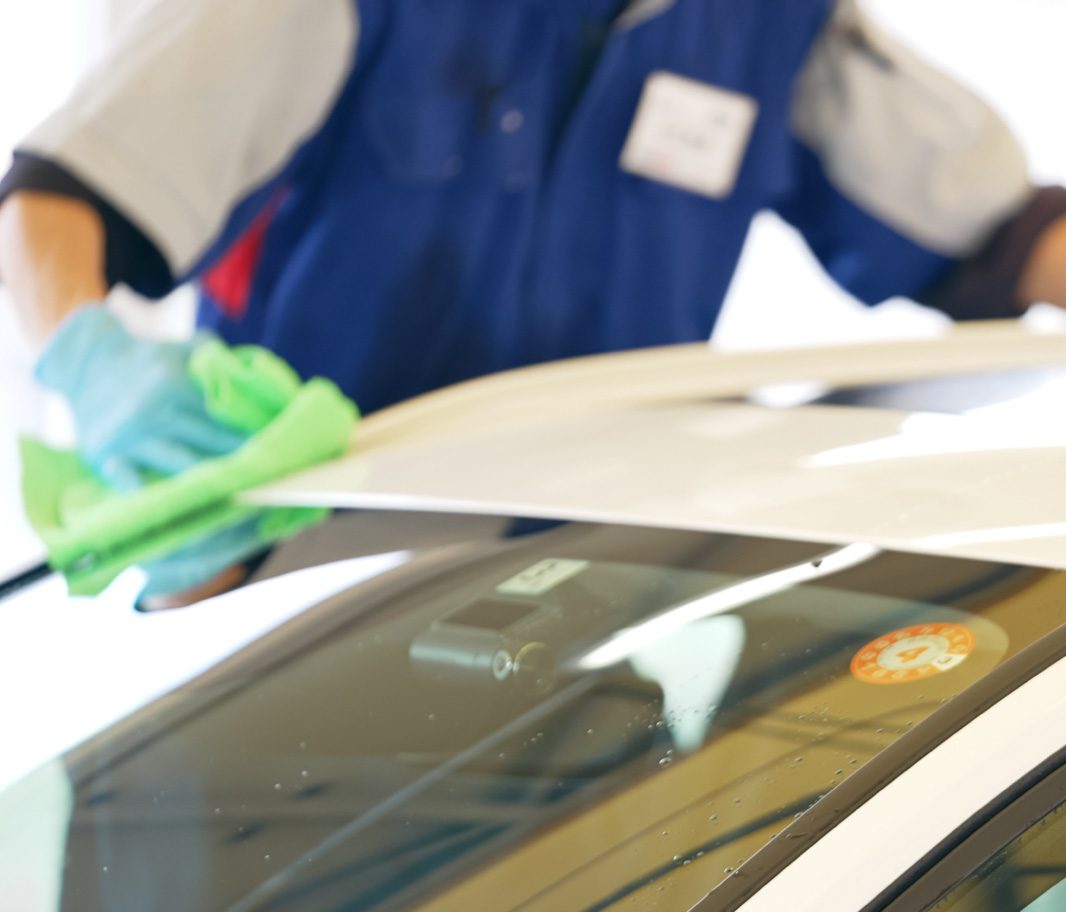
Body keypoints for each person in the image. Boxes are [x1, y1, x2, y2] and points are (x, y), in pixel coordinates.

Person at [2, 0, 1066, 601]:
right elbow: (53, 201)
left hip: (585, 614)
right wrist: (96, 367)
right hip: (286, 593)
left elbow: (1002, 235)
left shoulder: (772, 23)